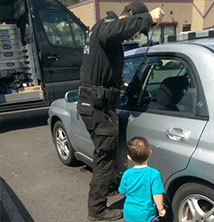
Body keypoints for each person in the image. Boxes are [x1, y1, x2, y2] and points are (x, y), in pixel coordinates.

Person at [77, 2, 165, 221]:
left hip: (94, 104)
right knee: (104, 161)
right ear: (132, 16)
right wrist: (148, 18)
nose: (135, 34)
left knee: (103, 158)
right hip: (98, 107)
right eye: (136, 28)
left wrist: (117, 79)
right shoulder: (107, 25)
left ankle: (107, 187)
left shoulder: (102, 32)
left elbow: (98, 66)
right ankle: (97, 210)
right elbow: (114, 30)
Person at [118, 137, 166, 222]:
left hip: (129, 213)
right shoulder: (154, 174)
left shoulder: (127, 174)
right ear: (150, 153)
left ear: (129, 157)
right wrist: (160, 209)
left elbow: (122, 191)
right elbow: (157, 194)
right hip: (146, 214)